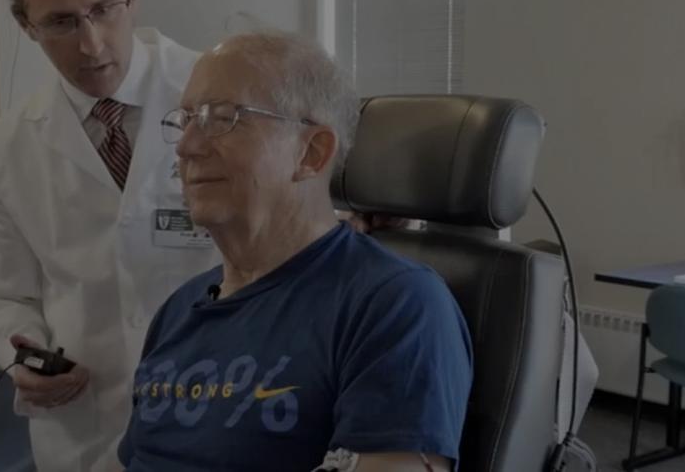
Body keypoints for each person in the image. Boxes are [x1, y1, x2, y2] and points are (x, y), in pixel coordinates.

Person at [118, 31, 473, 472]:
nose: (186, 146)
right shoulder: (177, 311)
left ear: (311, 152)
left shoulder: (395, 305)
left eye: (221, 117)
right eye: (186, 119)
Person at [0, 0, 220, 471]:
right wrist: (22, 353)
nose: (91, 43)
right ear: (24, 23)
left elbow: (300, 227)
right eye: (59, 22)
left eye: (103, 9)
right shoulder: (7, 147)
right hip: (83, 427)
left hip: (216, 413)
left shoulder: (218, 95)